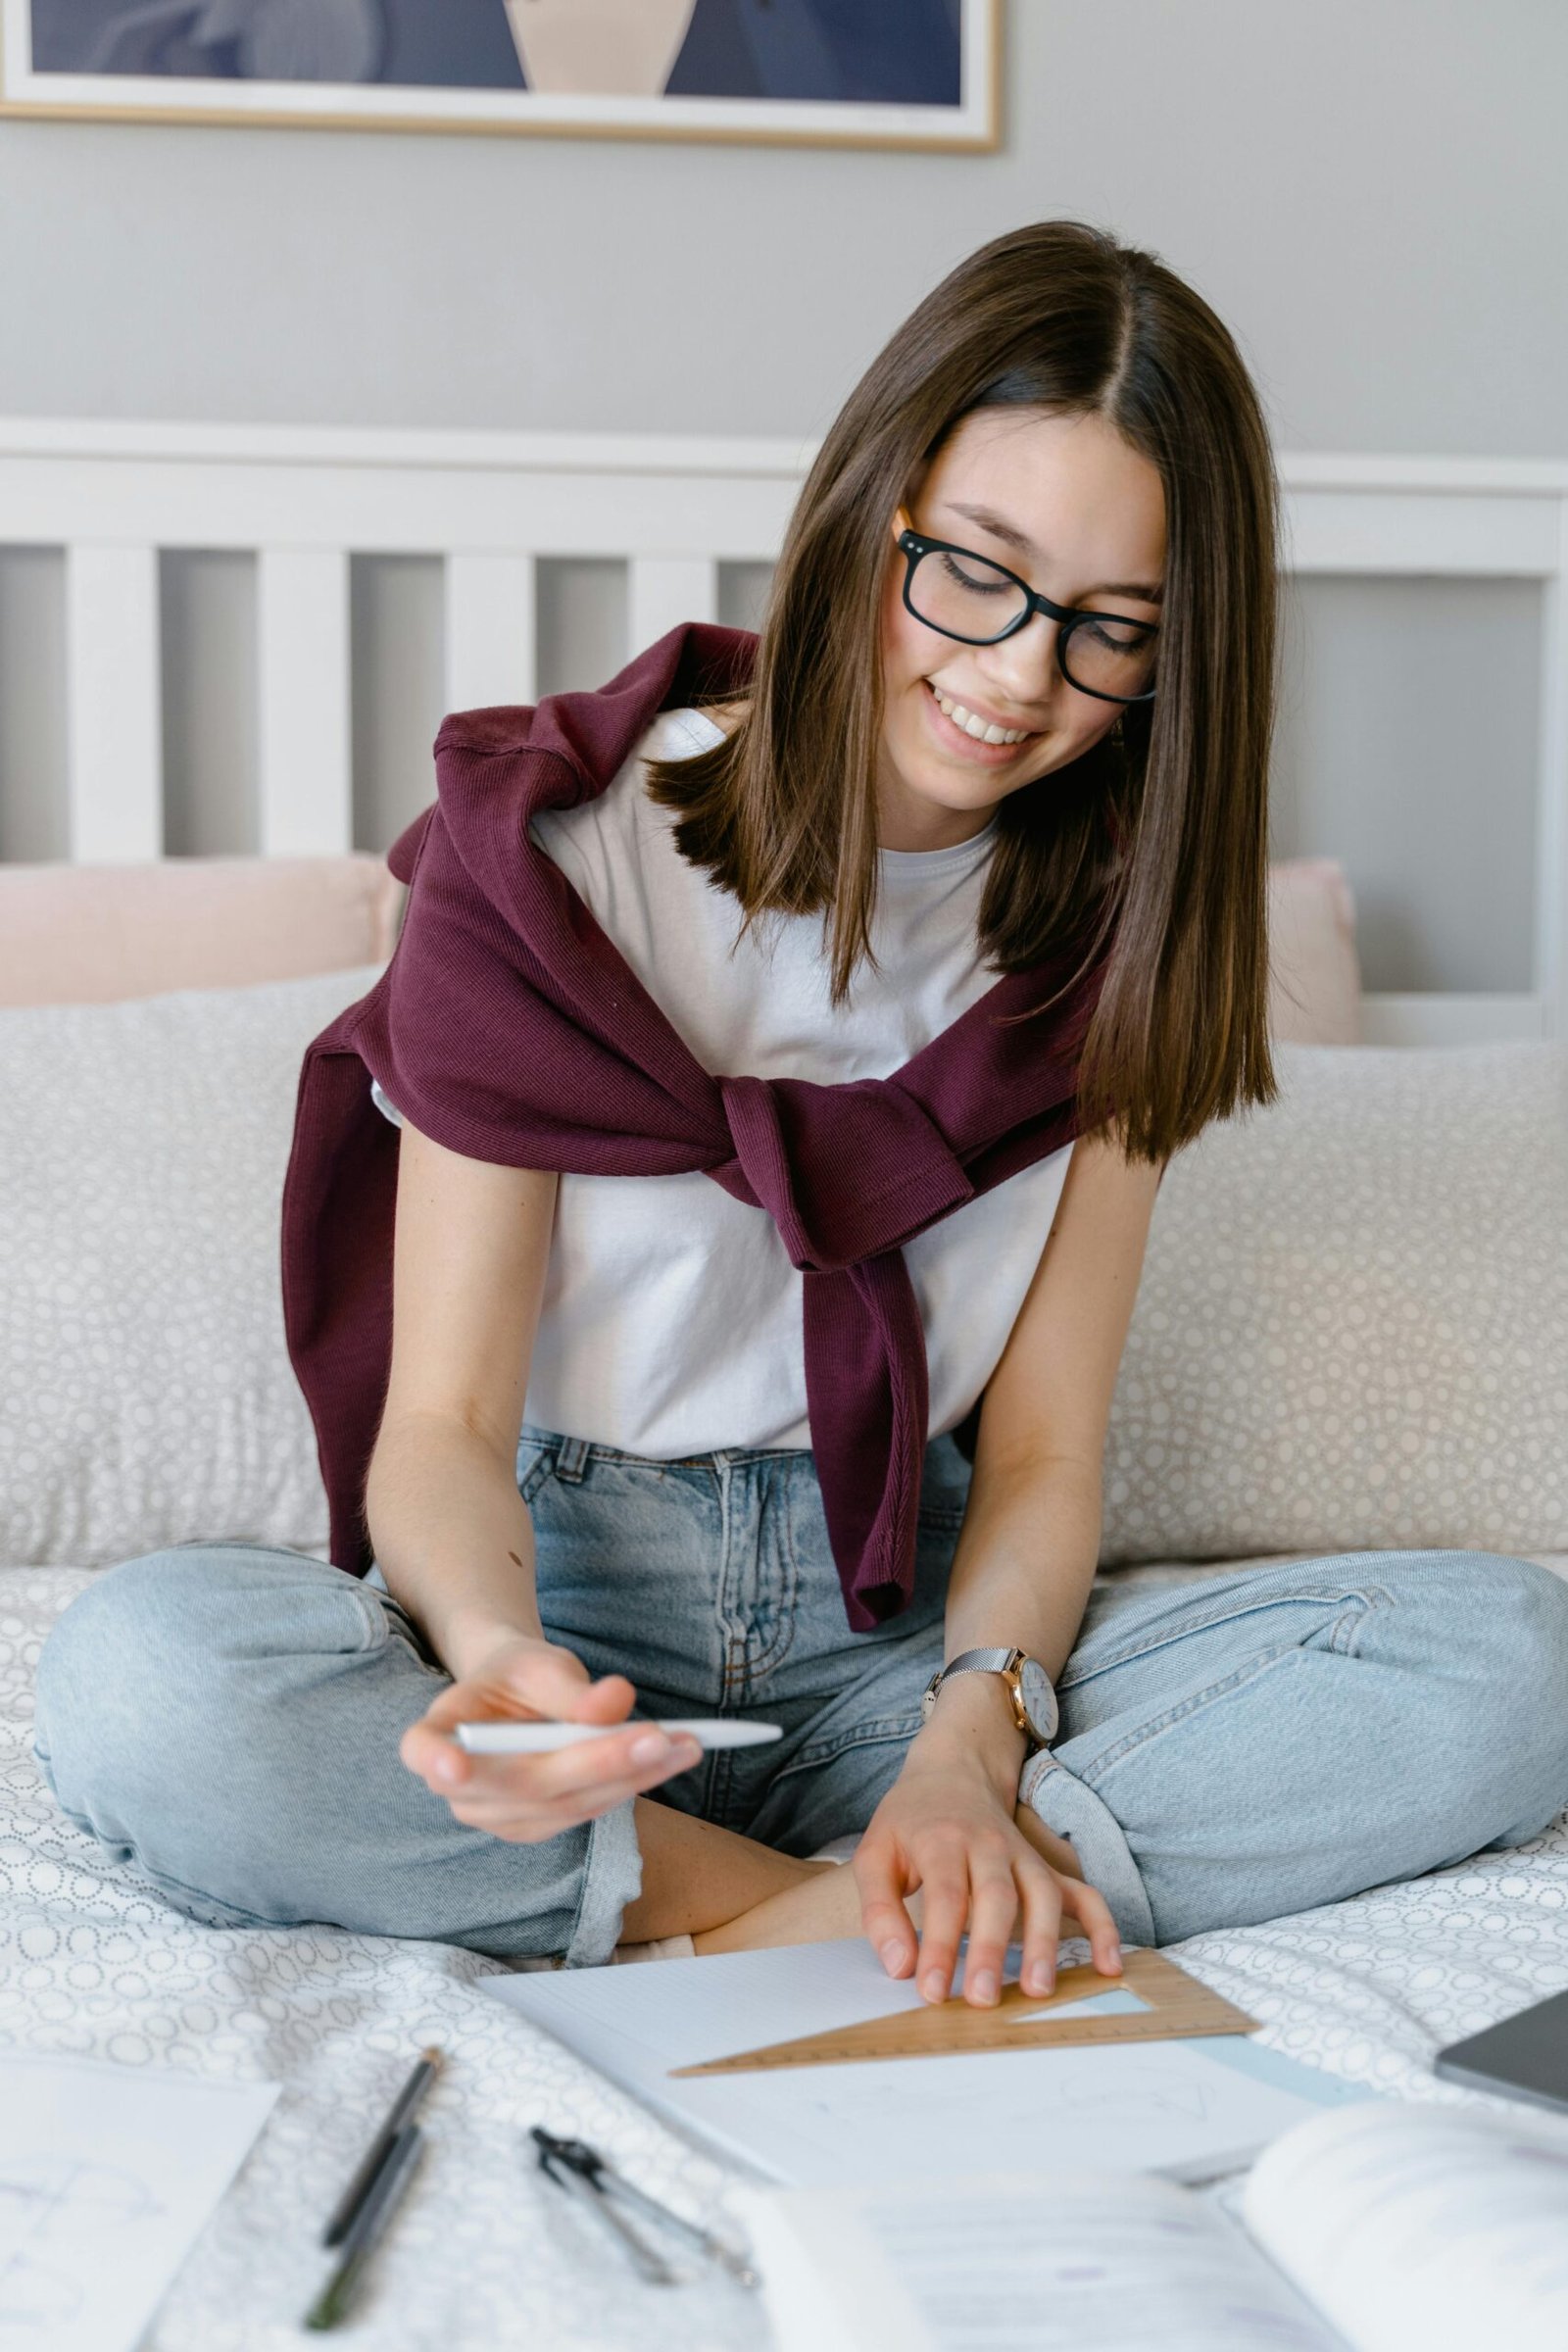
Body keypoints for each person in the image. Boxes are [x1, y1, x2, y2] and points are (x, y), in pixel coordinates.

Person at [34, 222, 1568, 2015]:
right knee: (150, 1682)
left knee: (1513, 1654)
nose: (1017, 678)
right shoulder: (553, 861)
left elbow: (1050, 1453)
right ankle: (826, 1917)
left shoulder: (1119, 940)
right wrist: (498, 1667)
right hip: (560, 1601)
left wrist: (965, 1750)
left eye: (1113, 635)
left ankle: (819, 1878)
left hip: (895, 1639)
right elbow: (441, 1423)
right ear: (871, 509)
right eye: (974, 578)